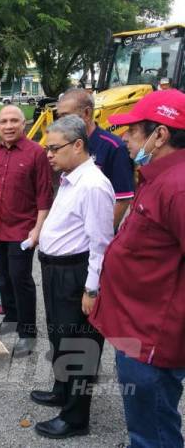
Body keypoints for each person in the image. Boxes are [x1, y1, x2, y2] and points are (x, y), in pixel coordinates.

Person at [89, 89, 185, 447]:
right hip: (138, 332)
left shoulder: (178, 187)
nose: (124, 138)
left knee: (156, 429)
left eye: (132, 130)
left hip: (154, 340)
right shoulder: (157, 176)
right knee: (145, 425)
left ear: (159, 135)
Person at [31, 115, 114, 439]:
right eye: (47, 148)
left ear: (78, 145)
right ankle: (62, 391)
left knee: (79, 345)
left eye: (54, 148)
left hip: (76, 273)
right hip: (55, 270)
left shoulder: (93, 185)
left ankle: (76, 418)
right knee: (59, 336)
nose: (49, 154)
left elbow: (101, 244)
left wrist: (91, 289)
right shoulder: (70, 178)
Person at [0, 105, 53, 357]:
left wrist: (37, 230)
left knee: (21, 279)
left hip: (22, 230)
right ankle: (11, 318)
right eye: (3, 121)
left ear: (24, 124)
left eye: (14, 121)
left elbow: (44, 196)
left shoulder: (36, 153)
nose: (8, 126)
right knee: (4, 275)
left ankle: (27, 333)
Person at [56, 88, 134, 230]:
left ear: (87, 113)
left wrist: (102, 235)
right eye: (59, 116)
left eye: (66, 116)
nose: (61, 122)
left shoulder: (114, 147)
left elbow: (122, 199)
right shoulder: (66, 144)